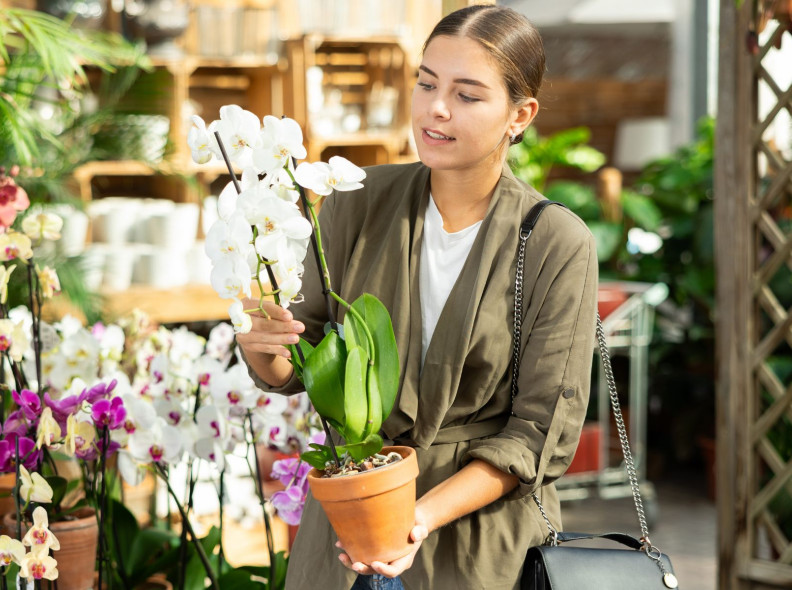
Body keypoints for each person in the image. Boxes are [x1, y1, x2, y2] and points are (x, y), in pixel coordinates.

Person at [238, 5, 597, 590]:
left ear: (520, 114)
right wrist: (260, 346)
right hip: (344, 536)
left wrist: (417, 518)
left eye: (467, 94)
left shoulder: (555, 241)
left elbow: (539, 434)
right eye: (426, 82)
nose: (435, 108)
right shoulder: (358, 200)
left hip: (477, 549)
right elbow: (296, 364)